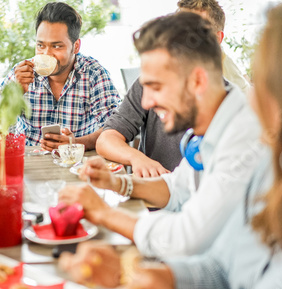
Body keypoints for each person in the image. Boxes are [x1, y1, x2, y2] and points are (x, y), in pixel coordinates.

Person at [61, 1, 282, 289]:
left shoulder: (254, 145)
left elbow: (188, 237)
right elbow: (226, 271)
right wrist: (128, 270)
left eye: (266, 84)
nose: (254, 101)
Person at [60, 12, 264, 258]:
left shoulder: (244, 140)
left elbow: (186, 238)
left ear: (198, 81)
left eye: (156, 87)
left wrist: (104, 212)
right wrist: (117, 183)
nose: (146, 101)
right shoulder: (212, 126)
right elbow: (178, 189)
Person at [96, 0, 250, 178]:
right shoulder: (149, 84)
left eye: (191, 35)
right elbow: (107, 138)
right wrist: (135, 160)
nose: (178, 43)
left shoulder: (235, 115)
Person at [0, 2, 121, 150]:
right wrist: (15, 94)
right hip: (29, 163)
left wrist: (75, 143)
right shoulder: (22, 72)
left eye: (56, 46)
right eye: (40, 45)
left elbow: (114, 127)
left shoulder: (94, 74)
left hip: (76, 164)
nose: (46, 54)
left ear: (76, 46)